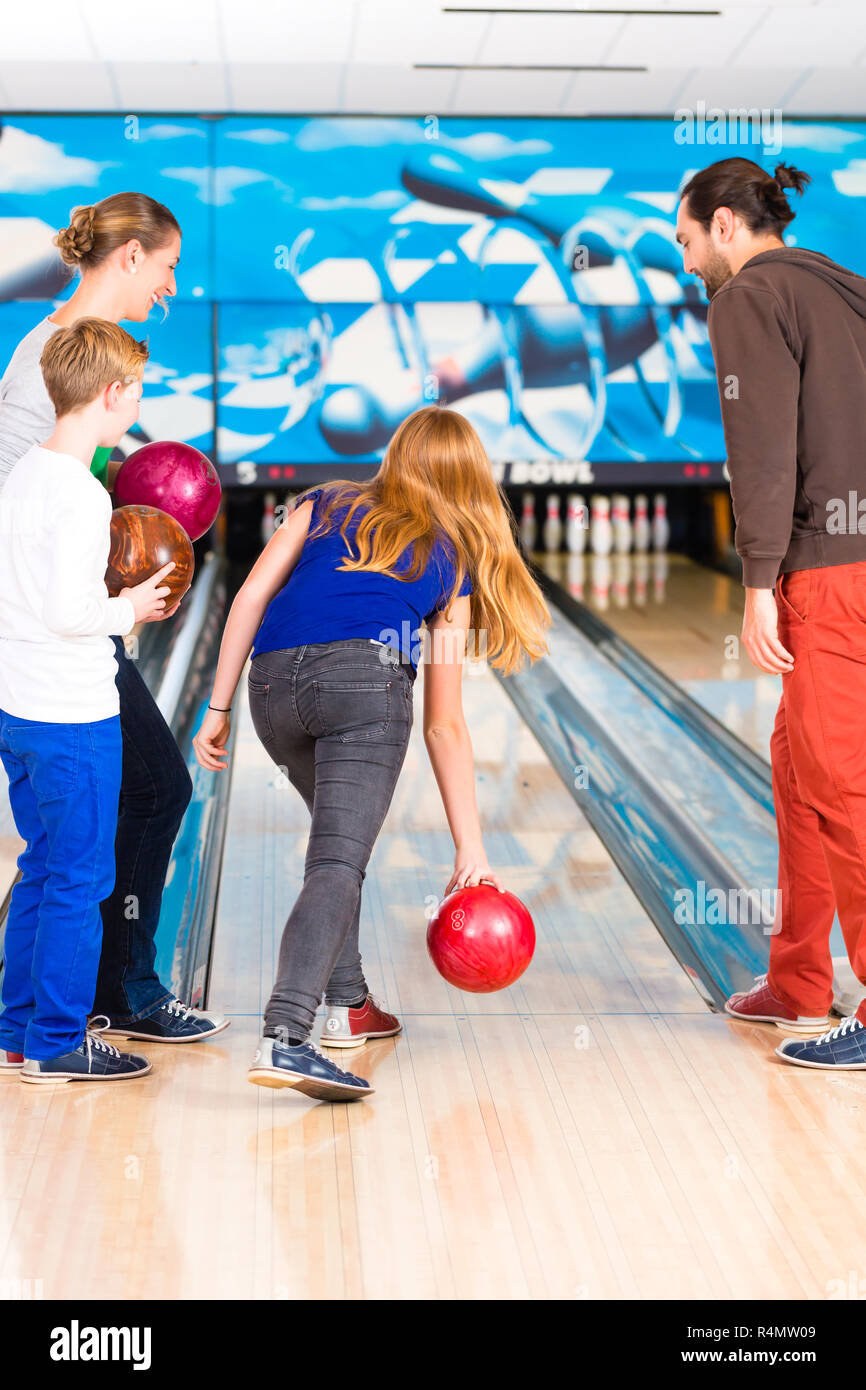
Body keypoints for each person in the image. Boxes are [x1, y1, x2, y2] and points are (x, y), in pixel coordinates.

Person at [193, 406, 551, 1101]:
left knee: (337, 853)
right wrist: (469, 848)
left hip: (273, 687)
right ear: (469, 477)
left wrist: (218, 704)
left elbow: (250, 596)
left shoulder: (323, 501)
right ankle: (287, 1035)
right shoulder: (455, 562)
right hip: (366, 687)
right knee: (337, 862)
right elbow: (444, 725)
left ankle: (349, 1003)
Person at [0, 193, 226, 1050]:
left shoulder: (67, 359)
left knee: (99, 823)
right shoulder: (42, 368)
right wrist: (113, 607)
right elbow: (23, 512)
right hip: (52, 642)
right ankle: (106, 997)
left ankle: (62, 1004)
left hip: (56, 632)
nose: (170, 286)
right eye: (167, 267)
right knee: (153, 791)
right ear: (129, 256)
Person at [676, 156, 866, 1070]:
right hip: (858, 553)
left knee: (839, 782)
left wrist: (758, 580)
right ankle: (799, 979)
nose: (685, 264)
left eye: (684, 241)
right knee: (799, 775)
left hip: (826, 574)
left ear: (723, 224)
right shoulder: (845, 288)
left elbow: (763, 447)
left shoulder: (747, 297)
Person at [0, 319, 180, 1079]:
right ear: (113, 393)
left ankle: (16, 1030)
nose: (139, 397)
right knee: (81, 876)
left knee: (43, 864)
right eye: (137, 386)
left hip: (18, 706)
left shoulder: (25, 476)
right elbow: (74, 612)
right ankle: (60, 1042)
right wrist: (132, 610)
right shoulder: (77, 493)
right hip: (71, 715)